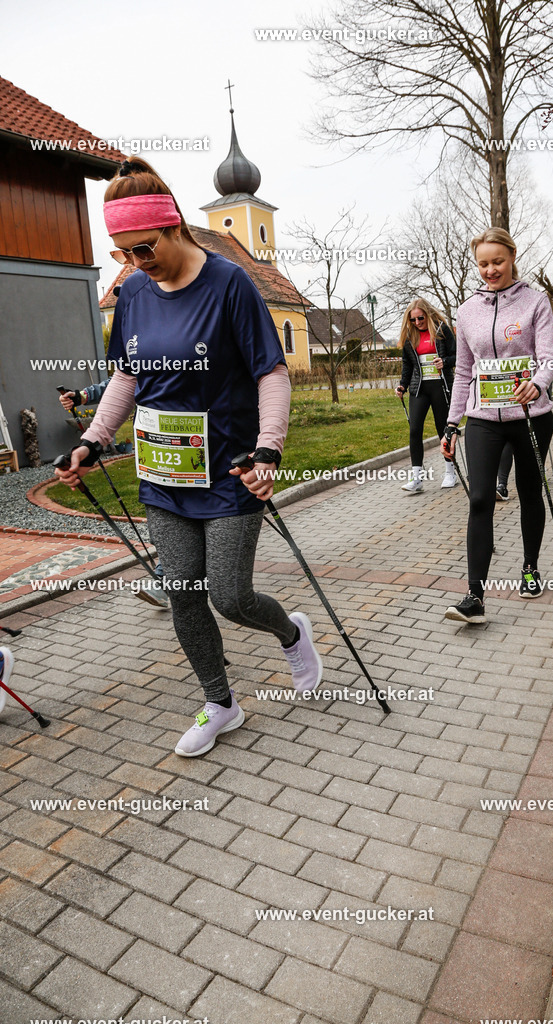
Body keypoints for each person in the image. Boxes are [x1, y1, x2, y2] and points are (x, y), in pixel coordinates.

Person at [55, 157, 323, 757]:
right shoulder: (133, 295)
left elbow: (272, 375)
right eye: (122, 252)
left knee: (230, 595)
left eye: (143, 247)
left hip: (231, 469)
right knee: (182, 591)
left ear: (174, 225)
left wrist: (269, 451)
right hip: (164, 472)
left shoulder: (230, 284)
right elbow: (126, 377)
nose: (134, 262)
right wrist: (93, 441)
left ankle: (291, 631)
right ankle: (220, 702)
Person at [441, 227, 553, 623]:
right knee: (479, 500)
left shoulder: (536, 302)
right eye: (483, 264)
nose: (490, 270)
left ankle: (530, 568)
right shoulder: (467, 309)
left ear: (512, 257)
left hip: (530, 417)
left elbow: (547, 360)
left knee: (528, 492)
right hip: (484, 419)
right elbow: (462, 372)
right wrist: (452, 423)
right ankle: (474, 596)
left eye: (497, 262)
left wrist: (537, 385)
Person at [58, 382, 168, 610]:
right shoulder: (142, 353)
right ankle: (164, 583)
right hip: (157, 458)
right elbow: (122, 381)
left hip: (206, 454)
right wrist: (82, 395)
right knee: (168, 528)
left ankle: (181, 581)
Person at [396, 298, 457, 492]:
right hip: (419, 388)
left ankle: (450, 472)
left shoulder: (441, 331)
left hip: (440, 386)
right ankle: (417, 478)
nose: (417, 323)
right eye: (412, 320)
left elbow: (457, 355)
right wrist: (403, 385)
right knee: (414, 430)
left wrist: (445, 362)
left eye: (420, 318)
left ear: (428, 315)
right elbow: (408, 364)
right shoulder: (410, 335)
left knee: (443, 430)